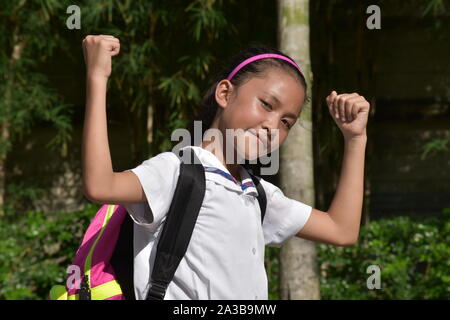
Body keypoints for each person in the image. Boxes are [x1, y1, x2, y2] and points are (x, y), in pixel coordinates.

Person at [81, 35, 370, 300]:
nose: (272, 125)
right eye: (267, 104)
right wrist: (97, 77)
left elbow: (341, 230)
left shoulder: (258, 194)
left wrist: (355, 139)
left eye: (286, 122)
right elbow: (101, 185)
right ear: (224, 93)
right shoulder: (178, 171)